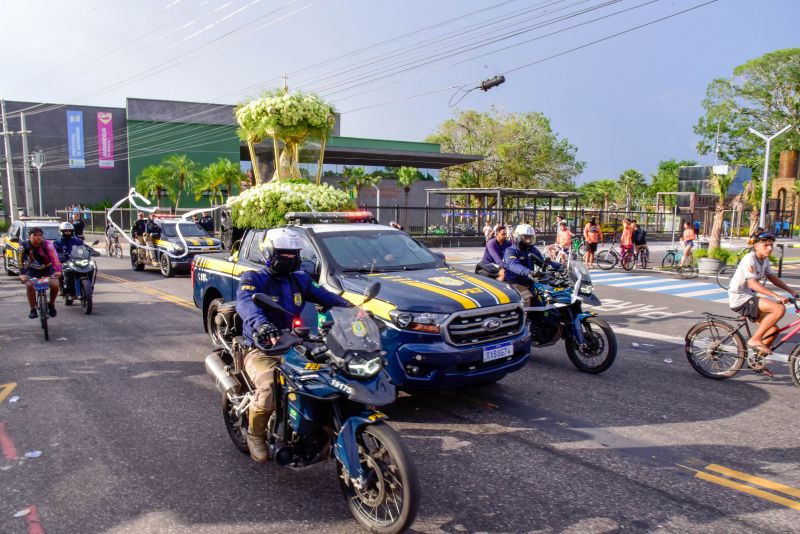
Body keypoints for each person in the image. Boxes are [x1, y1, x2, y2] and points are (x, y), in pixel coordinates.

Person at [235, 228, 351, 463]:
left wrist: (352, 309)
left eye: (294, 254)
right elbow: (246, 303)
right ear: (269, 253)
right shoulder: (253, 279)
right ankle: (254, 434)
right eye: (284, 254)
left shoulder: (300, 279)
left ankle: (317, 426)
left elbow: (327, 297)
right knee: (269, 387)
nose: (290, 259)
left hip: (294, 345)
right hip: (261, 347)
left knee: (331, 377)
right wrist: (262, 326)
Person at [728, 231, 799, 373]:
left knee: (773, 330)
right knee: (779, 309)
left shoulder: (764, 260)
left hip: (749, 297)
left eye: (771, 245)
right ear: (756, 246)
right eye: (766, 245)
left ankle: (757, 362)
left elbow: (772, 277)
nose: (770, 248)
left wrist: (792, 291)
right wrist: (776, 296)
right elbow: (753, 284)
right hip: (740, 298)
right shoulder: (750, 258)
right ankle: (754, 339)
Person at [502, 224, 562, 306]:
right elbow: (514, 265)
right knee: (526, 298)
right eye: (525, 237)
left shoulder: (532, 249)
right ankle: (525, 318)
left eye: (530, 237)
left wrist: (561, 266)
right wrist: (529, 272)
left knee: (550, 293)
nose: (528, 240)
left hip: (530, 280)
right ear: (518, 237)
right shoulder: (511, 251)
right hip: (514, 282)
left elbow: (543, 262)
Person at [19, 227, 61, 319]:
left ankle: (51, 304)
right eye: (35, 235)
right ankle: (33, 309)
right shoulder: (23, 245)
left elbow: (54, 257)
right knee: (29, 285)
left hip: (47, 269)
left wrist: (58, 270)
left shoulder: (48, 244)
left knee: (55, 285)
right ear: (29, 236)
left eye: (40, 235)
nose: (38, 237)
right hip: (32, 270)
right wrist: (22, 274)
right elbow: (20, 261)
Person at [53, 222, 85, 297]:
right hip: (64, 262)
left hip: (77, 261)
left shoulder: (77, 241)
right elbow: (55, 252)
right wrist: (61, 258)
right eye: (66, 231)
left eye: (69, 231)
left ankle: (87, 287)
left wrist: (90, 251)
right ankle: (62, 289)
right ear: (61, 231)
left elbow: (84, 248)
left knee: (90, 268)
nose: (68, 232)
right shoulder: (57, 242)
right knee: (62, 272)